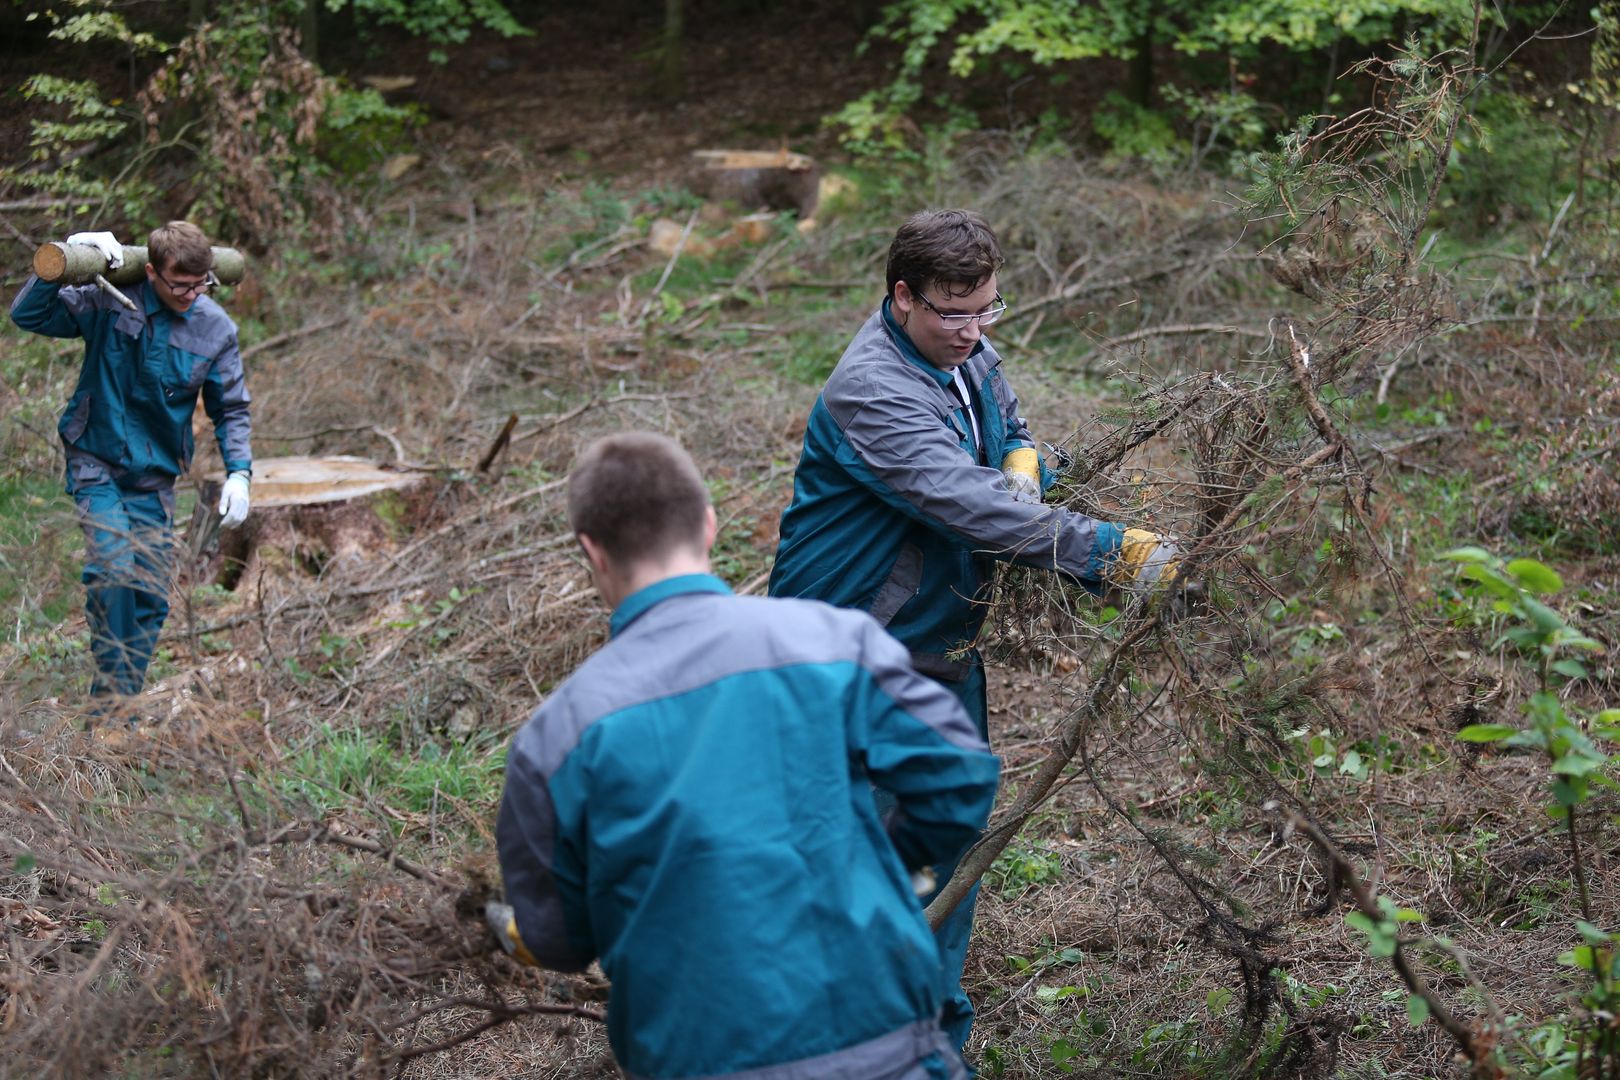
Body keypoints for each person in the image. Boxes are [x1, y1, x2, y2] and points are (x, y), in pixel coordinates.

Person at [768, 208, 1181, 1055]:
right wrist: (1112, 552)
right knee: (878, 867)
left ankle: (927, 1036)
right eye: (953, 313)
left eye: (986, 308)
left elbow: (1008, 436)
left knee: (947, 849)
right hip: (856, 665)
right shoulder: (872, 389)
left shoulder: (969, 353)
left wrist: (1028, 459)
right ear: (902, 297)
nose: (973, 330)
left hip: (939, 649)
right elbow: (964, 502)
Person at [489, 431, 1000, 1080]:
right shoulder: (831, 642)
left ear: (591, 551)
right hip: (884, 1050)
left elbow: (559, 937)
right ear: (708, 525)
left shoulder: (557, 737)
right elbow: (957, 778)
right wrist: (884, 861)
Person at [9, 222, 253, 716]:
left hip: (155, 476)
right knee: (114, 570)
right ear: (151, 272)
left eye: (201, 283)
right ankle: (109, 709)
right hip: (96, 460)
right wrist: (72, 256)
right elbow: (29, 314)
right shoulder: (111, 300)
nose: (191, 294)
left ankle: (120, 706)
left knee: (149, 595)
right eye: (179, 284)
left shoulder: (215, 329)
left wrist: (239, 473)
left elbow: (232, 408)